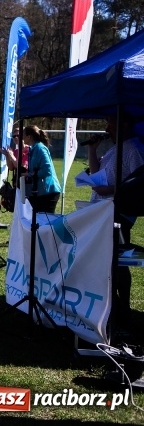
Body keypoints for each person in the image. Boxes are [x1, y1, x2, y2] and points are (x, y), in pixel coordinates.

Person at [86, 114, 144, 327]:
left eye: (111, 123)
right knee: (105, 261)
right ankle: (113, 304)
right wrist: (92, 149)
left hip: (118, 213)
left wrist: (107, 190)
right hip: (101, 213)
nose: (107, 128)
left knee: (117, 262)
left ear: (125, 123)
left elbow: (138, 184)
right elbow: (95, 175)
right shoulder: (114, 149)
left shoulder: (134, 150)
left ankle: (123, 308)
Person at [21, 125, 61, 213]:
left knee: (45, 222)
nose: (22, 137)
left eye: (23, 134)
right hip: (39, 192)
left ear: (29, 136)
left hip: (49, 191)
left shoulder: (40, 148)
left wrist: (29, 174)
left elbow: (47, 170)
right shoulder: (33, 149)